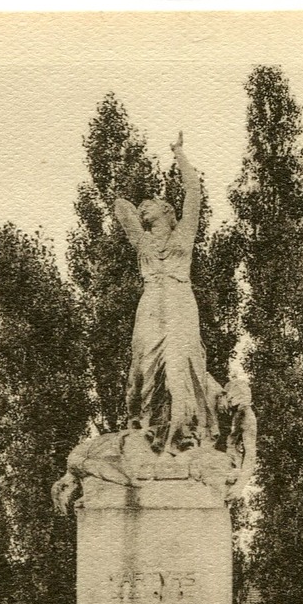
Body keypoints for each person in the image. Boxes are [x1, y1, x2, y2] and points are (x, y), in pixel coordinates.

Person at [113, 132, 218, 454]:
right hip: (151, 302)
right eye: (144, 205)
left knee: (179, 365)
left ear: (168, 210)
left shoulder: (184, 232)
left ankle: (186, 430)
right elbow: (121, 207)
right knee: (142, 364)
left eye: (153, 204)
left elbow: (194, 192)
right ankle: (142, 424)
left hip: (179, 298)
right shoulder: (142, 241)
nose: (145, 206)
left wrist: (178, 153)